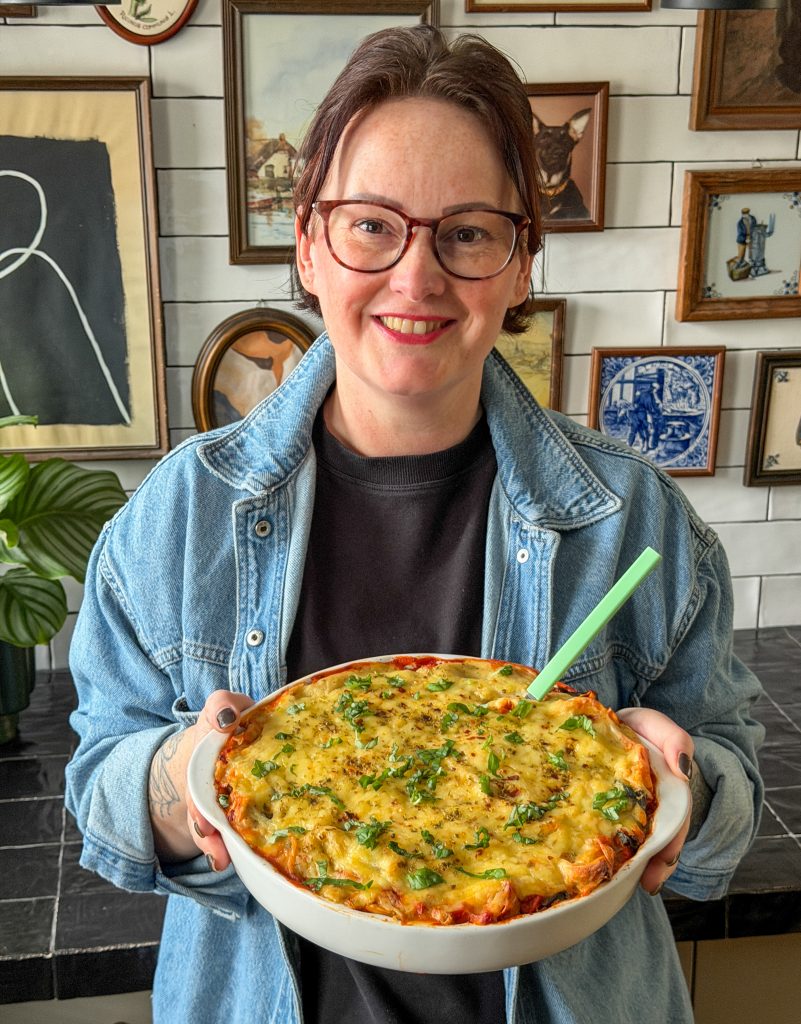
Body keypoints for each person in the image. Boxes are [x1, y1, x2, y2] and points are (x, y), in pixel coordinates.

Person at [65, 25, 764, 1024]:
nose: (416, 276)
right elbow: (99, 787)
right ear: (308, 242)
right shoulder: (177, 517)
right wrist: (184, 779)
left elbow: (728, 809)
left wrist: (680, 785)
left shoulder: (638, 518)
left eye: (469, 232)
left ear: (523, 265)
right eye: (371, 225)